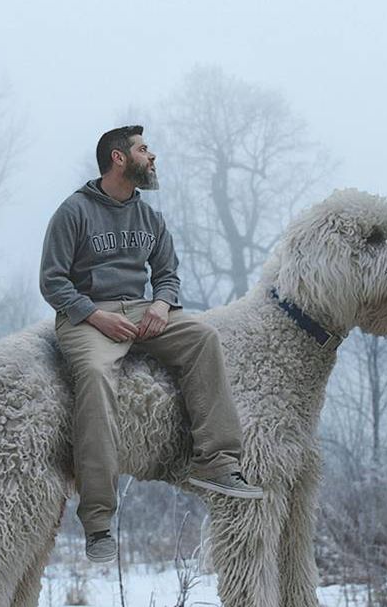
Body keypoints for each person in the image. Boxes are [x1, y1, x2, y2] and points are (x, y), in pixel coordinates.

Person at [39, 125, 262, 564]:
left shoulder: (149, 217)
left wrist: (162, 303)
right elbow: (52, 281)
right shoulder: (74, 212)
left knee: (203, 338)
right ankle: (99, 522)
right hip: (87, 315)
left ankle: (217, 463)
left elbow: (167, 273)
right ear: (119, 159)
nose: (152, 156)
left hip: (143, 311)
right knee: (97, 377)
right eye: (144, 149)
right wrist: (95, 315)